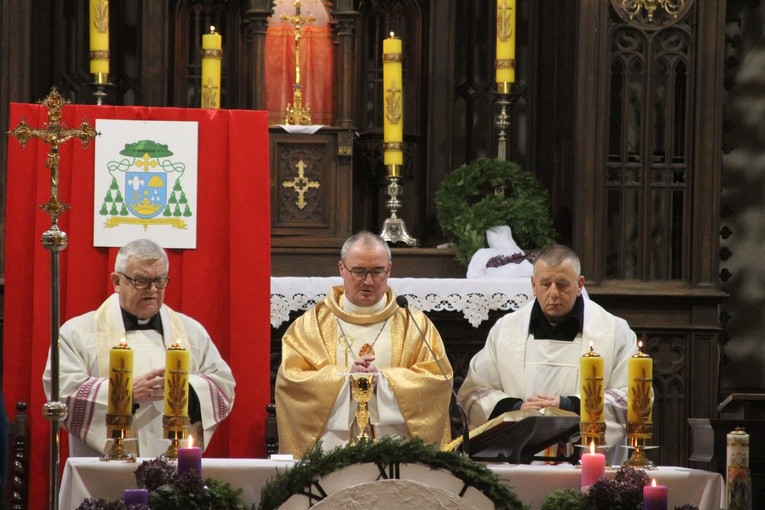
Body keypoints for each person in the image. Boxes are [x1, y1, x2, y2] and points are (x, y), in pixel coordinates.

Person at [43, 238, 235, 457]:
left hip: (174, 470)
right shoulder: (76, 332)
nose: (152, 290)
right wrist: (124, 393)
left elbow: (223, 385)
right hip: (105, 469)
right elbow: (62, 395)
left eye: (160, 280)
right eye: (141, 280)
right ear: (116, 281)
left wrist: (185, 389)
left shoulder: (191, 331)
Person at [275, 231, 453, 457]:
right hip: (332, 454)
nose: (368, 281)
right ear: (342, 269)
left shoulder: (414, 325)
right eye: (359, 271)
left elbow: (438, 380)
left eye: (377, 271)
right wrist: (344, 379)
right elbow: (291, 380)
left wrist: (386, 382)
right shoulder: (312, 325)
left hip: (397, 455)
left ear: (389, 269)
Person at [458, 244, 638, 464]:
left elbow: (631, 398)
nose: (553, 293)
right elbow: (473, 394)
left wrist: (569, 406)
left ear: (579, 285)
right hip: (518, 468)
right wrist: (516, 409)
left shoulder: (614, 332)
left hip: (588, 467)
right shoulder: (506, 330)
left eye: (562, 285)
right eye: (545, 284)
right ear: (533, 285)